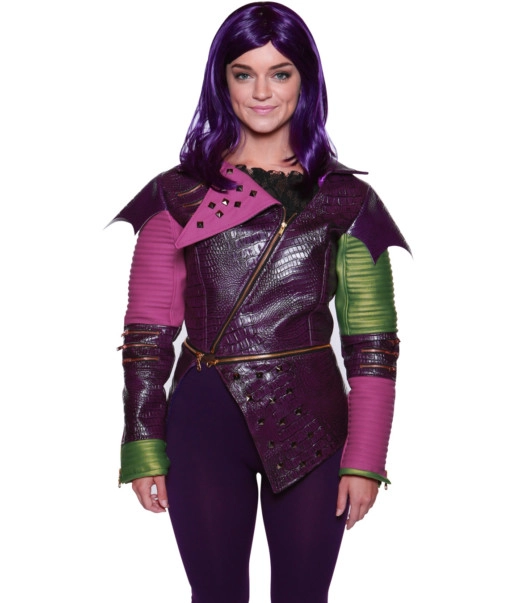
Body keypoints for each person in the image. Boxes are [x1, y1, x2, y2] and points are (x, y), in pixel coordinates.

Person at [111, 2, 410, 602]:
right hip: (203, 421)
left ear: (305, 79)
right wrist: (143, 442)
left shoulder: (348, 200)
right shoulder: (175, 194)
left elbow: (372, 344)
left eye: (280, 73)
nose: (262, 92)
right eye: (244, 73)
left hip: (313, 422)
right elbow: (147, 332)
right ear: (222, 81)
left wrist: (365, 457)